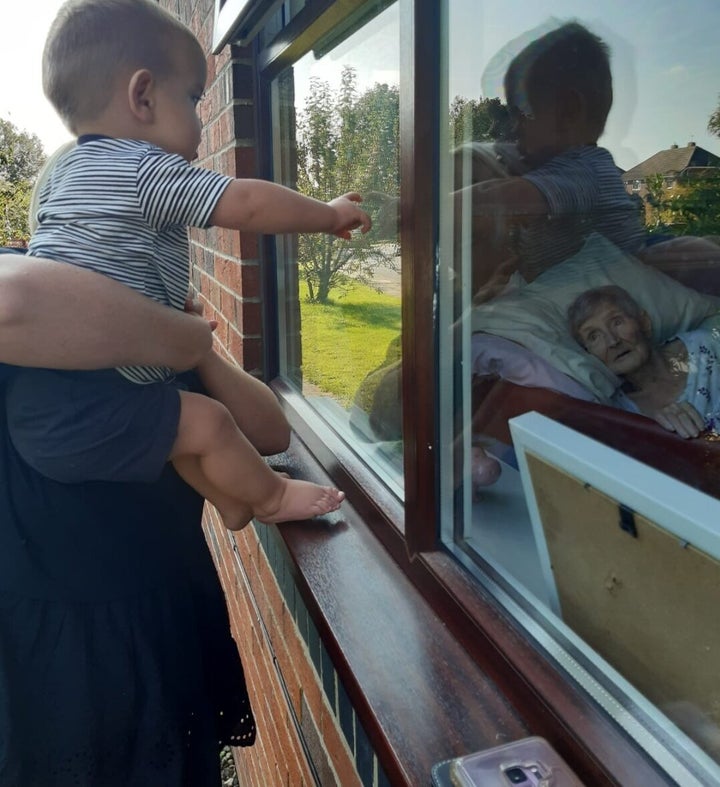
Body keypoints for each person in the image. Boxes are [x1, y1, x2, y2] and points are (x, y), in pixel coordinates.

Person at [10, 0, 372, 531]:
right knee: (206, 420)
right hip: (84, 399)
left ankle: (231, 500)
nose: (200, 117)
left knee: (176, 423)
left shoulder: (64, 182)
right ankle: (269, 499)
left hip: (49, 401)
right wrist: (326, 214)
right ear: (143, 95)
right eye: (194, 97)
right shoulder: (140, 167)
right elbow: (245, 204)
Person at [0, 251, 288, 786]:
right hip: (47, 636)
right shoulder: (32, 308)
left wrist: (193, 346)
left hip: (162, 620)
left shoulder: (155, 356)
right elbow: (8, 298)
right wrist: (173, 330)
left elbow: (270, 432)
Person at [456, 21, 645, 300]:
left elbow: (493, 202)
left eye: (522, 113)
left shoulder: (584, 172)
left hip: (604, 321)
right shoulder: (566, 175)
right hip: (579, 312)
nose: (514, 128)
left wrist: (415, 210)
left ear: (569, 111)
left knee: (476, 339)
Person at [568, 284, 716, 439]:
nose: (612, 341)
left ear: (644, 323)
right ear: (589, 355)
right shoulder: (621, 414)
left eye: (617, 322)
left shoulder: (705, 345)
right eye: (594, 336)